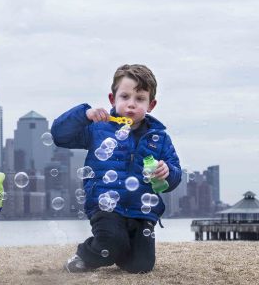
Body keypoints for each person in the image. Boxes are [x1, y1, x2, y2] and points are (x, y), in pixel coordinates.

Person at [51, 64, 181, 274]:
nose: (131, 104)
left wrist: (168, 172)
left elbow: (173, 179)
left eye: (139, 99)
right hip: (106, 206)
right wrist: (85, 114)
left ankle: (119, 248)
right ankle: (85, 255)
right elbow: (59, 135)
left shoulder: (160, 139)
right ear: (113, 99)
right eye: (125, 97)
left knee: (141, 266)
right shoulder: (98, 128)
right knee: (109, 241)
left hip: (141, 211)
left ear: (151, 105)